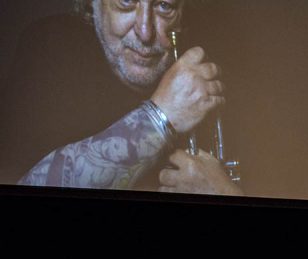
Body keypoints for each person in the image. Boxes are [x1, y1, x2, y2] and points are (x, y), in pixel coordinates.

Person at [0, 0, 241, 194]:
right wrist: (161, 116)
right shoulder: (48, 46)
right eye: (126, 3)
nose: (144, 32)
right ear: (93, 5)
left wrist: (227, 194)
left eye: (164, 6)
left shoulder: (221, 53)